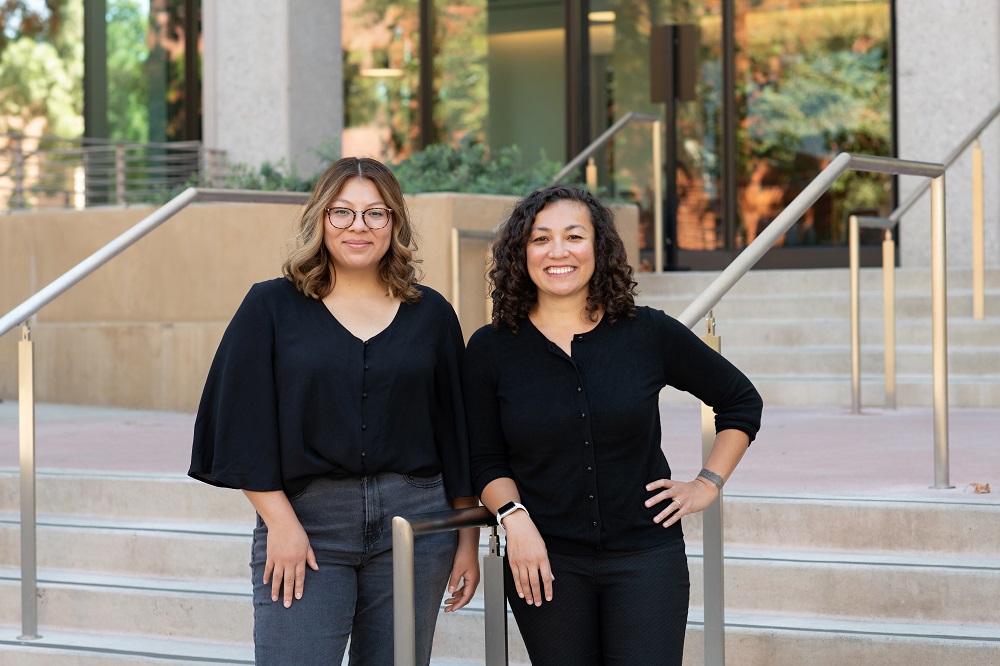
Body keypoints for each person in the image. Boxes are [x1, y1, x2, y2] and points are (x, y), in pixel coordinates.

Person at [189, 156, 480, 665]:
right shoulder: (270, 307)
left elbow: (457, 431)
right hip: (306, 521)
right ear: (320, 219)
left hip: (415, 524)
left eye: (376, 213)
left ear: (395, 223)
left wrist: (466, 540)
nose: (358, 227)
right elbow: (240, 425)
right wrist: (280, 523)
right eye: (342, 212)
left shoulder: (431, 313)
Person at [464, 185, 763, 665]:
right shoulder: (490, 349)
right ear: (522, 253)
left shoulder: (647, 332)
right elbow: (484, 457)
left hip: (646, 558)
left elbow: (740, 401)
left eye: (574, 236)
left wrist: (707, 483)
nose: (558, 252)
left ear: (598, 249)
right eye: (541, 239)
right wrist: (512, 518)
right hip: (545, 560)